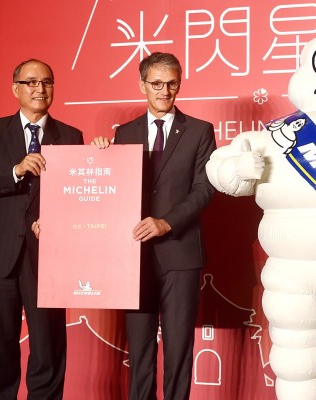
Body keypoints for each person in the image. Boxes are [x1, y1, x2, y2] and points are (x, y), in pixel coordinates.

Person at [93, 52, 216, 400]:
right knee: (141, 350)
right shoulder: (124, 133)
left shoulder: (199, 131)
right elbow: (111, 187)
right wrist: (102, 155)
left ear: (180, 83)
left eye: (172, 83)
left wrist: (166, 223)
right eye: (157, 84)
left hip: (180, 253)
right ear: (142, 85)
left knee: (178, 349)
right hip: (134, 256)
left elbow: (204, 189)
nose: (165, 91)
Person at [0, 59, 84, 400]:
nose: (39, 88)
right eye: (31, 82)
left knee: (48, 347)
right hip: (2, 254)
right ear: (15, 88)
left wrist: (58, 219)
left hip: (49, 257)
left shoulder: (71, 136)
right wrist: (16, 170)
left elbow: (79, 194)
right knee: (0, 343)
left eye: (47, 82)